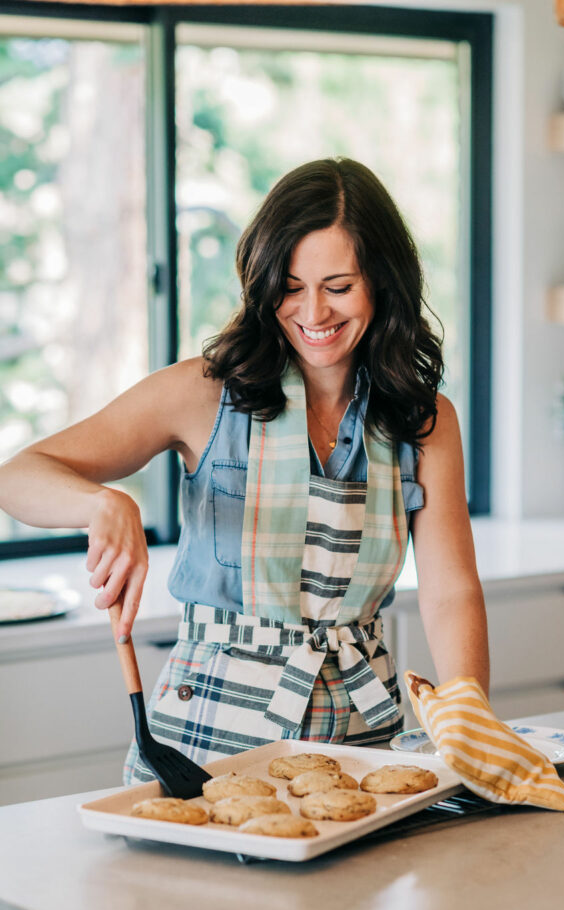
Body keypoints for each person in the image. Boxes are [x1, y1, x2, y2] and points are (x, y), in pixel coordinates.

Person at [0, 157, 489, 784]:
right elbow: (20, 474)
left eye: (339, 286)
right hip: (204, 749)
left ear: (383, 283)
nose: (313, 311)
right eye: (290, 286)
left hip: (364, 748)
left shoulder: (424, 420)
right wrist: (103, 505)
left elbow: (451, 592)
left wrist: (472, 726)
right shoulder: (201, 394)